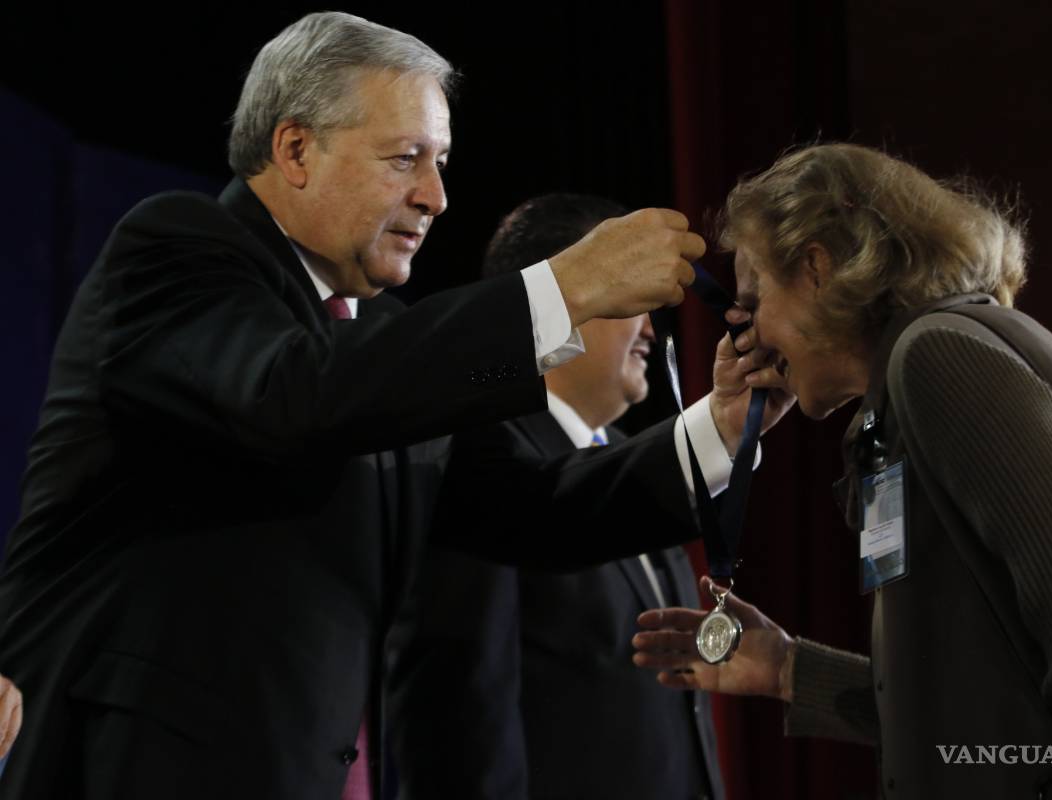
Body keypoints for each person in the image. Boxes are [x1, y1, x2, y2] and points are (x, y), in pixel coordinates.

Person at [0, 12, 788, 800]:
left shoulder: (382, 336)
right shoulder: (177, 251)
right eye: (405, 158)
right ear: (296, 149)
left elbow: (537, 508)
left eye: (441, 161)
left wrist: (723, 425)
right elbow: (293, 394)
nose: (437, 196)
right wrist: (564, 288)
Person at [633, 142, 1052, 799]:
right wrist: (788, 669)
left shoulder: (937, 357)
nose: (746, 337)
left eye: (754, 301)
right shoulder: (906, 392)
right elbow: (988, 715)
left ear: (815, 267)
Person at [387, 194, 725, 800]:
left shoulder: (640, 468)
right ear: (567, 299)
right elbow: (465, 707)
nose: (652, 326)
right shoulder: (481, 463)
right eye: (633, 299)